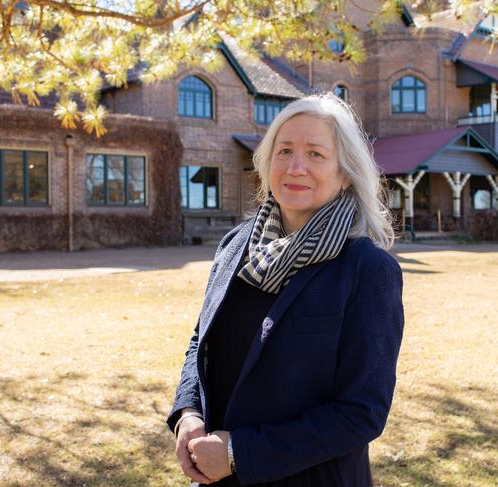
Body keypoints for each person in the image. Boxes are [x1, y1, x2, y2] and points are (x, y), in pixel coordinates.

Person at [167, 93, 404, 486]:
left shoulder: (368, 270)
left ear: (345, 172)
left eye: (315, 154)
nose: (296, 167)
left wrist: (238, 453)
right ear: (267, 162)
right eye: (284, 151)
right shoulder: (235, 246)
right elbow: (201, 344)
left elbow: (362, 411)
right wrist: (187, 413)